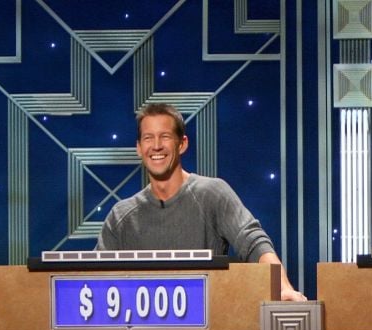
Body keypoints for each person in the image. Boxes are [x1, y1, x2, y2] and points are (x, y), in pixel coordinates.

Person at [98, 103, 306, 301]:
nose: (156, 146)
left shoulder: (212, 194)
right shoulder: (121, 216)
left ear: (182, 144)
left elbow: (253, 242)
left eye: (165, 136)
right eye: (148, 138)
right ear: (138, 147)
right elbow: (93, 279)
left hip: (210, 322)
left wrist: (284, 289)